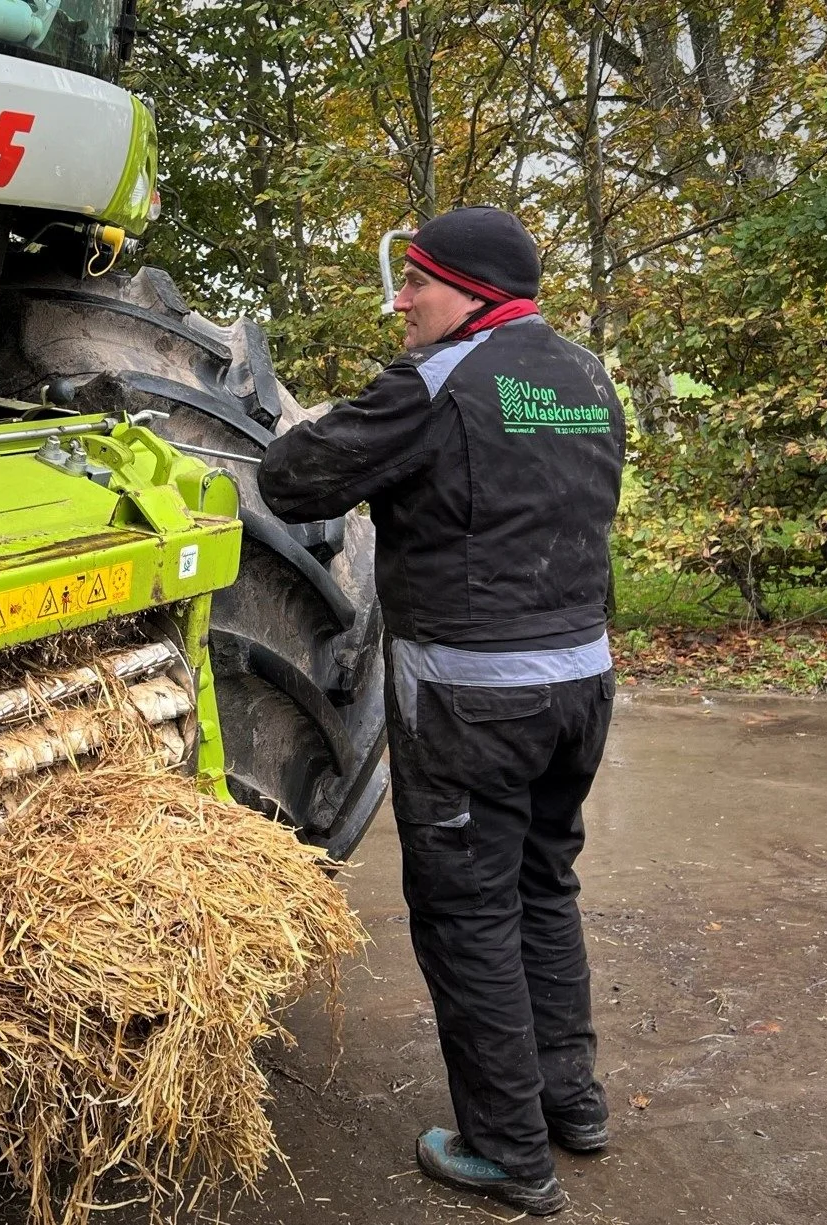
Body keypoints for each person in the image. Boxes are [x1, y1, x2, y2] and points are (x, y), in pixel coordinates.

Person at [257, 207, 625, 1216]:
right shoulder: (584, 377)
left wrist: (314, 423)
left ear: (472, 292)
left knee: (466, 913)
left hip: (473, 698)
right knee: (541, 886)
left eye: (417, 281)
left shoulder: (435, 382)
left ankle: (508, 1151)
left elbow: (290, 481)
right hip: (580, 685)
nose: (400, 299)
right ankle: (571, 1104)